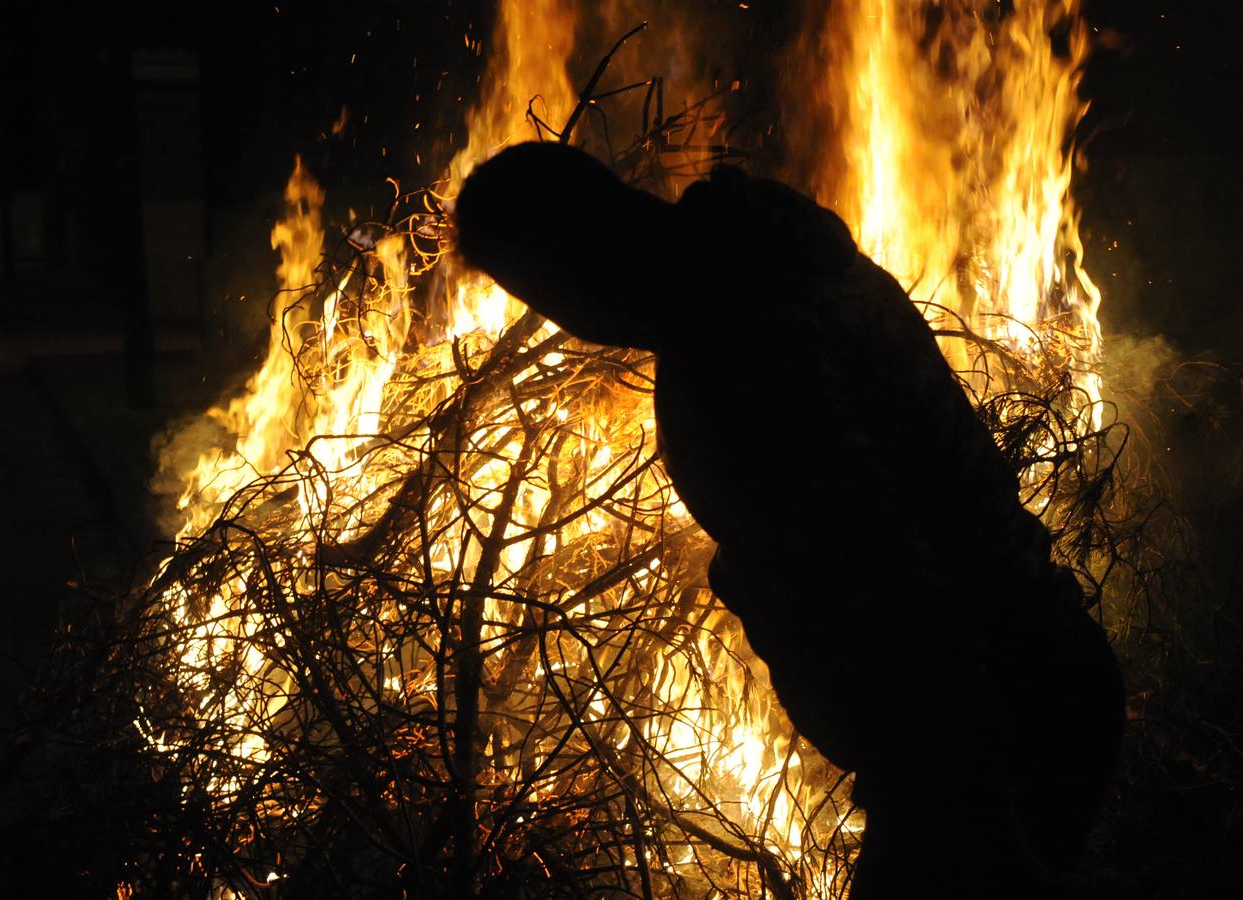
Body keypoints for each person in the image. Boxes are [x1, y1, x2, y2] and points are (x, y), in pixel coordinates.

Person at [454, 142, 1124, 898]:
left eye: (541, 291)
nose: (568, 320)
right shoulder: (774, 261)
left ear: (570, 258)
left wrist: (962, 803)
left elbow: (894, 576)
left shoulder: (735, 339)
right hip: (1033, 687)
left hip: (994, 730)